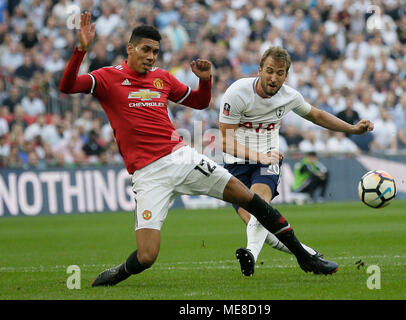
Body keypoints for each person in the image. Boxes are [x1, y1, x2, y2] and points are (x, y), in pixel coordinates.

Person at [59, 12, 341, 287]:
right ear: (129, 48)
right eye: (145, 50)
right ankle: (119, 272)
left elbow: (199, 102)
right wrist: (80, 51)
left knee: (251, 200)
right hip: (147, 174)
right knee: (146, 257)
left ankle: (306, 258)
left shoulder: (162, 79)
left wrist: (205, 80)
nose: (151, 56)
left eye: (155, 52)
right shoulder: (108, 78)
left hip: (181, 158)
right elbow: (68, 85)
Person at [219, 46, 374, 276]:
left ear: (286, 76)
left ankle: (250, 254)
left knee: (261, 206)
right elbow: (225, 141)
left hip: (269, 160)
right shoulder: (237, 93)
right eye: (269, 71)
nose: (273, 78)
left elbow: (318, 115)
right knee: (264, 229)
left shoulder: (289, 96)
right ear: (259, 70)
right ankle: (310, 258)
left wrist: (352, 128)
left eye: (280, 73)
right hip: (236, 164)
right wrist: (258, 155)